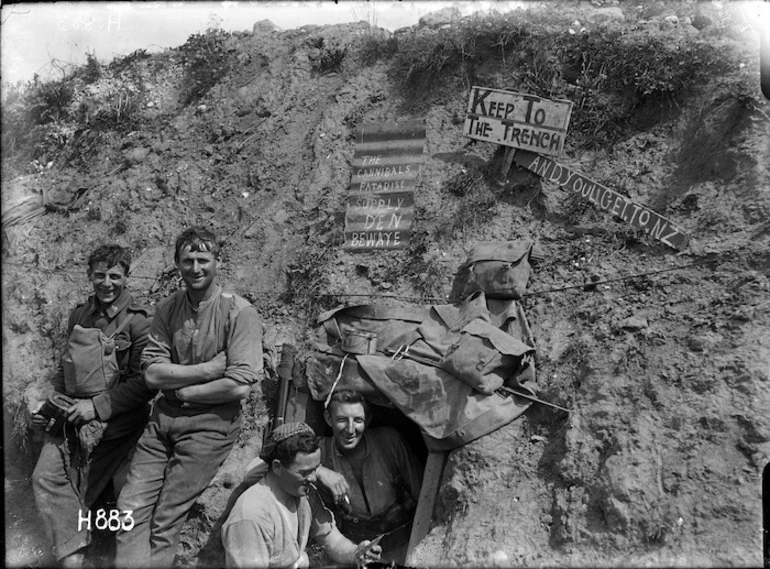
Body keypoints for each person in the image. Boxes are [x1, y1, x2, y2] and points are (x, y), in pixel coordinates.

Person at [115, 226, 263, 567]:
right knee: (128, 510)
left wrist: (181, 388)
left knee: (165, 518)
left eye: (203, 259)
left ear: (217, 262)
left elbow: (239, 385)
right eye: (187, 261)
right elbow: (152, 373)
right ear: (177, 265)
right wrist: (211, 370)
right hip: (163, 420)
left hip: (211, 425)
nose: (195, 268)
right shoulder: (168, 309)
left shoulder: (240, 312)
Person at [30, 244, 154, 568]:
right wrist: (48, 403)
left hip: (118, 420)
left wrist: (95, 408)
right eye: (99, 275)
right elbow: (66, 368)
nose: (107, 283)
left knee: (89, 485)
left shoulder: (140, 323)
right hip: (74, 414)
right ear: (89, 276)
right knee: (44, 476)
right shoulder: (80, 314)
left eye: (115, 275)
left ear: (127, 277)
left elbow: (144, 384)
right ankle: (73, 556)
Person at [221, 422, 382, 568]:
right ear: (277, 467)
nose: (313, 478)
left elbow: (332, 540)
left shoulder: (304, 495)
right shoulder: (251, 517)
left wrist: (358, 553)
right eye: (304, 472)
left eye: (316, 469)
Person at [315, 390, 424, 565]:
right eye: (342, 419)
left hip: (403, 544)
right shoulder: (320, 452)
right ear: (328, 419)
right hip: (352, 548)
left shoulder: (390, 441)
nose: (350, 430)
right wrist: (319, 470)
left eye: (358, 420)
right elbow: (277, 460)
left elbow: (424, 496)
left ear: (368, 420)